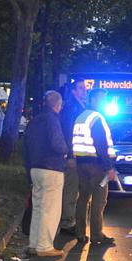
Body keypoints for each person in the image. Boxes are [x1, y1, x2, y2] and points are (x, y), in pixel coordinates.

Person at [24, 90, 68, 257]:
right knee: (50, 209)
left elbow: (26, 148)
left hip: (35, 168)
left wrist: (28, 170)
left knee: (38, 207)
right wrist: (65, 151)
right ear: (58, 104)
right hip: (52, 168)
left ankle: (34, 244)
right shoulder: (53, 119)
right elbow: (57, 143)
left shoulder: (34, 121)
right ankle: (45, 246)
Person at [71, 88, 116, 245]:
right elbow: (101, 145)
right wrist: (109, 167)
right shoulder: (96, 118)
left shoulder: (80, 117)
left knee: (83, 199)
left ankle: (80, 233)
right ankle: (97, 234)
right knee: (99, 200)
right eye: (103, 100)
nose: (105, 103)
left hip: (81, 163)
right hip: (97, 165)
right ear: (95, 100)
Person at [59, 79, 88, 232]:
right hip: (73, 157)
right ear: (73, 91)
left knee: (74, 189)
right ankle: (67, 222)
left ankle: (70, 219)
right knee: (71, 188)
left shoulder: (79, 106)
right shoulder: (72, 108)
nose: (85, 90)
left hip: (77, 155)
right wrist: (70, 156)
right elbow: (68, 132)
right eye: (81, 88)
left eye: (85, 87)